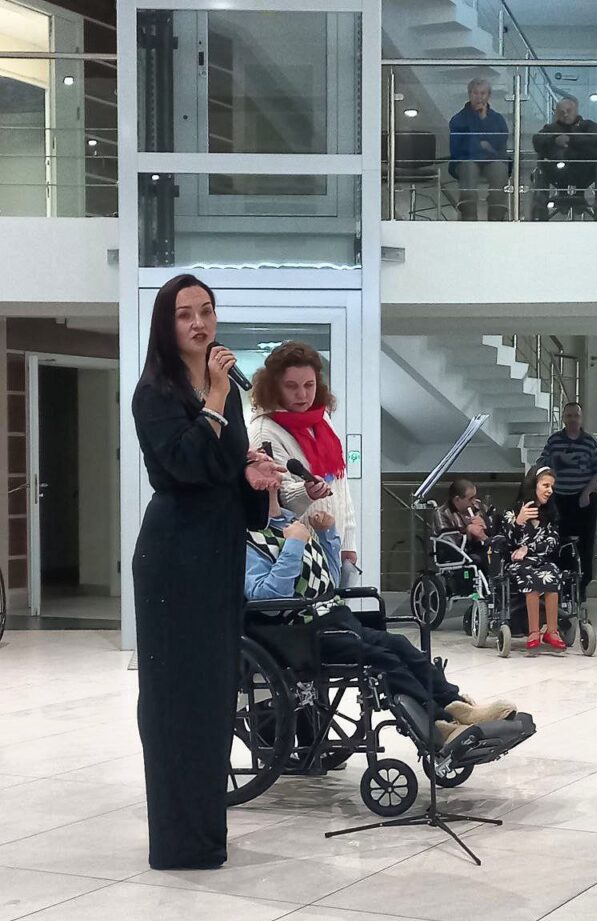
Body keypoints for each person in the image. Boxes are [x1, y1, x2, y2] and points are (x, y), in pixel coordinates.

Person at [132, 274, 284, 871]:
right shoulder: (155, 393)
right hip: (175, 559)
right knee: (176, 701)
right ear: (166, 326)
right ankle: (177, 843)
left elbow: (221, 470)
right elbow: (186, 465)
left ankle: (204, 835)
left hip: (219, 553)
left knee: (215, 697)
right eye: (184, 314)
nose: (199, 323)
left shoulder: (225, 392)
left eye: (207, 311)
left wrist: (253, 479)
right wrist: (216, 400)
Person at [244, 489, 517, 748]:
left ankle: (456, 705)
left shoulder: (292, 524)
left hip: (334, 618)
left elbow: (328, 581)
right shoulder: (251, 541)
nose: (276, 478)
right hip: (300, 633)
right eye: (270, 482)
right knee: (382, 660)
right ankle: (438, 722)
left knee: (399, 644)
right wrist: (294, 544)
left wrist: (327, 536)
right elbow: (266, 598)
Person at [248, 341, 357, 583]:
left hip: (332, 543)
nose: (302, 395)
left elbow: (340, 484)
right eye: (291, 386)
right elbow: (276, 501)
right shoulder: (264, 431)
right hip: (296, 553)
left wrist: (349, 542)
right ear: (274, 387)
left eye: (309, 385)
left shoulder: (322, 419)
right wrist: (306, 492)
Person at [537, 402, 597, 601]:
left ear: (581, 418)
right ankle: (559, 584)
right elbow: (542, 464)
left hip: (583, 500)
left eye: (576, 416)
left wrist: (587, 492)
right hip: (559, 499)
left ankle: (582, 586)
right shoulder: (554, 441)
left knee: (585, 544)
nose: (572, 420)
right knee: (557, 541)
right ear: (563, 418)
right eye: (568, 416)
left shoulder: (590, 442)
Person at [502, 466, 565, 651]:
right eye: (546, 485)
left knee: (552, 574)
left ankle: (552, 631)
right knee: (531, 578)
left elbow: (553, 541)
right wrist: (518, 522)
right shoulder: (512, 512)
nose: (550, 490)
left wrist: (528, 548)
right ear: (533, 486)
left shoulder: (550, 514)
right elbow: (507, 542)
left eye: (552, 487)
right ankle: (534, 632)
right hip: (518, 563)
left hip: (541, 560)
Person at [532, 97, 597, 217]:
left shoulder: (588, 125)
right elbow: (537, 140)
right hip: (557, 171)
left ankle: (580, 193)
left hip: (586, 170)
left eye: (568, 111)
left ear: (576, 110)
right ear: (557, 114)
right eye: (561, 112)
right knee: (545, 165)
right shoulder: (551, 128)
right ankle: (559, 195)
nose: (565, 114)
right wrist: (554, 140)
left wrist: (570, 139)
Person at [448, 78, 509, 222]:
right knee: (468, 168)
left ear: (488, 96)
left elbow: (500, 142)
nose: (479, 97)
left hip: (492, 160)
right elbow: (459, 145)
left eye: (483, 93)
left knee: (500, 170)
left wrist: (484, 118)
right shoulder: (458, 119)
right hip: (467, 159)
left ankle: (496, 218)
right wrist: (483, 145)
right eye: (475, 93)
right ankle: (469, 218)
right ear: (469, 95)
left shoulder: (497, 119)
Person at [433, 478, 489, 563]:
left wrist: (485, 525)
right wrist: (468, 533)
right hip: (456, 556)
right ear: (457, 499)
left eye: (475, 497)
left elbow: (493, 532)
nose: (474, 502)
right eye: (470, 498)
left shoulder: (481, 508)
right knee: (480, 558)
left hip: (483, 549)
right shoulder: (442, 513)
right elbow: (449, 543)